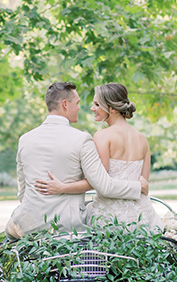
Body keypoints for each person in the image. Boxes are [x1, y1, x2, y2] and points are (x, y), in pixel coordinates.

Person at [5, 81, 148, 239]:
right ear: (65, 104)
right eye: (77, 103)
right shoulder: (82, 139)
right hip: (67, 227)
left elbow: (23, 190)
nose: (81, 107)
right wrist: (138, 187)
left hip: (26, 225)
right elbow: (104, 185)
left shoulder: (25, 139)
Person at [35, 82, 162, 228]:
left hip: (110, 217)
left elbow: (97, 182)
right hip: (143, 216)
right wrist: (138, 187)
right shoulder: (142, 139)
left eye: (97, 104)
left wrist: (62, 187)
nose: (92, 108)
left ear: (112, 108)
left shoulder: (102, 136)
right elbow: (143, 185)